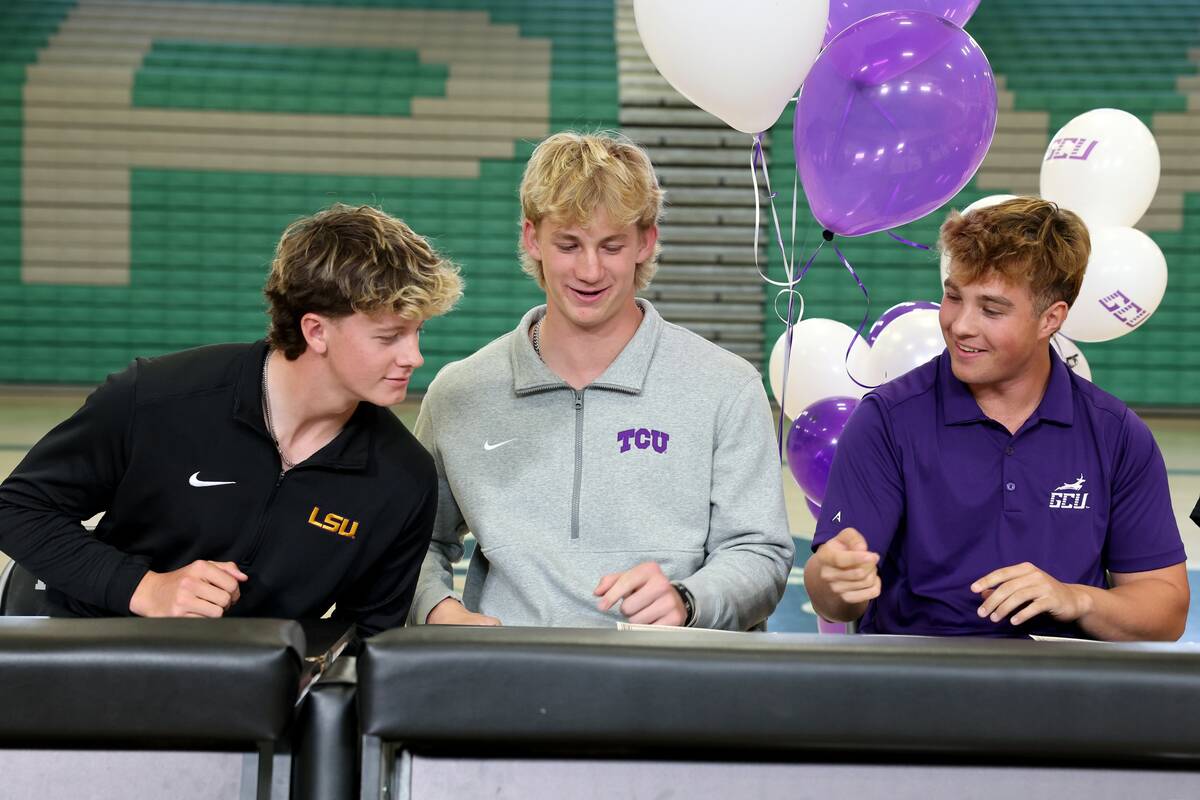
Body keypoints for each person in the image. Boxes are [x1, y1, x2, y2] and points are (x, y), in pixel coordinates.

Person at [0, 204, 462, 635]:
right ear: (315, 330)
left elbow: (366, 639)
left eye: (417, 331)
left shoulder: (402, 477)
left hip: (241, 704)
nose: (415, 357)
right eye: (389, 336)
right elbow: (17, 509)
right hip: (94, 662)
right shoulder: (157, 398)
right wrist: (144, 588)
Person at [409, 130, 793, 630]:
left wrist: (688, 600)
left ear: (646, 242)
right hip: (511, 682)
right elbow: (414, 544)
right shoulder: (459, 393)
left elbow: (759, 552)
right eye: (568, 245)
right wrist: (438, 609)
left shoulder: (726, 387)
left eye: (611, 246)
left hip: (673, 686)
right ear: (532, 238)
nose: (589, 270)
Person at [805, 197, 1188, 640]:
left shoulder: (1117, 435)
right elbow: (830, 596)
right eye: (953, 297)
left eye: (991, 309)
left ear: (1051, 318)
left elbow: (1165, 610)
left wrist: (1076, 598)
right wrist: (834, 580)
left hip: (1063, 696)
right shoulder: (887, 420)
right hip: (913, 691)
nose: (961, 324)